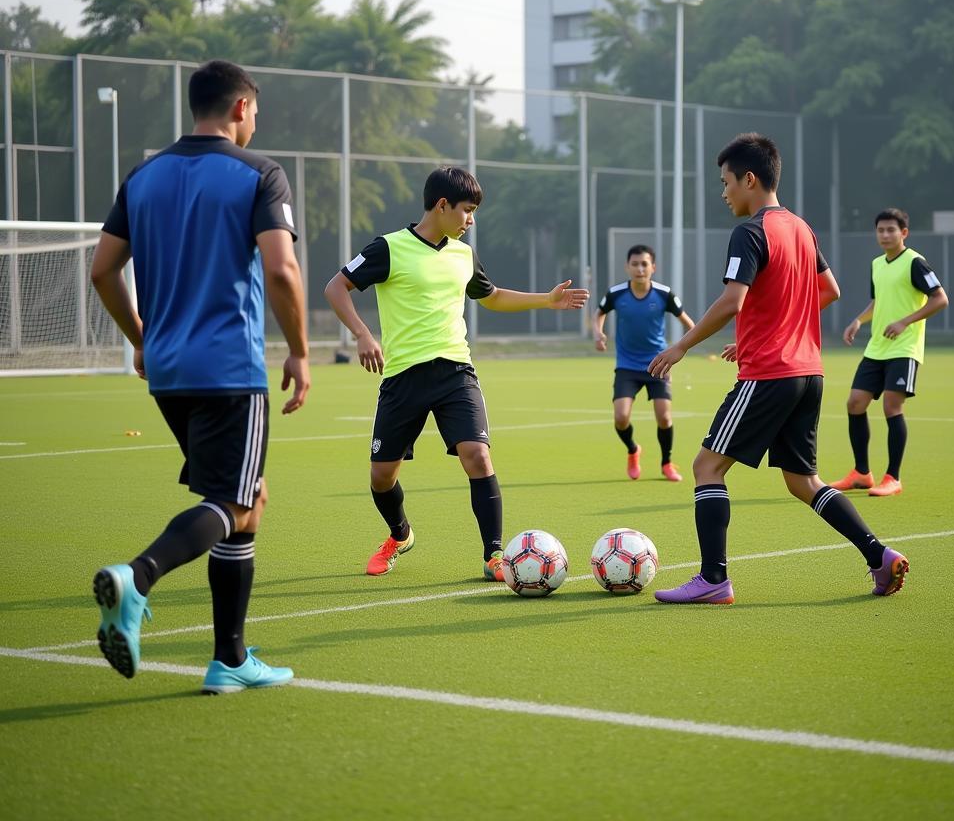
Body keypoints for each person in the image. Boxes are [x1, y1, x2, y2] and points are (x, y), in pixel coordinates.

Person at [90, 59, 310, 693]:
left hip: (168, 371)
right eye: (255, 113)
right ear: (241, 108)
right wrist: (298, 350)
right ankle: (139, 576)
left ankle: (230, 661)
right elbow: (282, 271)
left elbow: (104, 271)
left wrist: (143, 339)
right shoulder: (259, 173)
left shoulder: (144, 176)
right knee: (234, 501)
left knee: (248, 498)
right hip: (231, 370)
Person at [648, 133, 909, 604]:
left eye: (726, 182)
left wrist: (682, 345)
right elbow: (828, 290)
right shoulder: (802, 228)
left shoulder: (749, 231)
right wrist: (766, 328)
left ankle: (712, 580)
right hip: (809, 373)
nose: (724, 192)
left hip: (770, 373)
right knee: (802, 481)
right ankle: (880, 556)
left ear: (749, 179)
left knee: (707, 466)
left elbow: (732, 300)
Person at [324, 166, 589, 581]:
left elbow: (492, 296)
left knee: (478, 455)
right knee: (381, 476)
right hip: (403, 377)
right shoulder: (389, 248)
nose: (471, 220)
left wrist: (547, 300)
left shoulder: (464, 254)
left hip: (455, 372)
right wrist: (361, 334)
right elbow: (335, 287)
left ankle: (494, 556)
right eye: (467, 211)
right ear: (442, 205)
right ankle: (400, 534)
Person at [831, 208, 948, 497]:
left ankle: (893, 478)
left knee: (890, 408)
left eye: (891, 230)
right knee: (855, 403)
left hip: (904, 347)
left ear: (903, 233)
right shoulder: (876, 264)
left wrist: (904, 321)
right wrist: (858, 320)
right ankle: (861, 473)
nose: (885, 235)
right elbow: (878, 302)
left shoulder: (915, 263)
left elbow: (940, 299)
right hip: (877, 348)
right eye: (880, 230)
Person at [594, 245, 695, 481]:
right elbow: (599, 313)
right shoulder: (616, 294)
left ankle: (667, 463)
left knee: (664, 417)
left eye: (644, 264)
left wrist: (682, 347)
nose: (640, 268)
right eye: (635, 264)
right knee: (620, 418)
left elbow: (690, 325)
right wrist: (598, 334)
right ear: (627, 267)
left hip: (658, 364)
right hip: (627, 366)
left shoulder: (664, 294)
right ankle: (633, 449)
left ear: (653, 267)